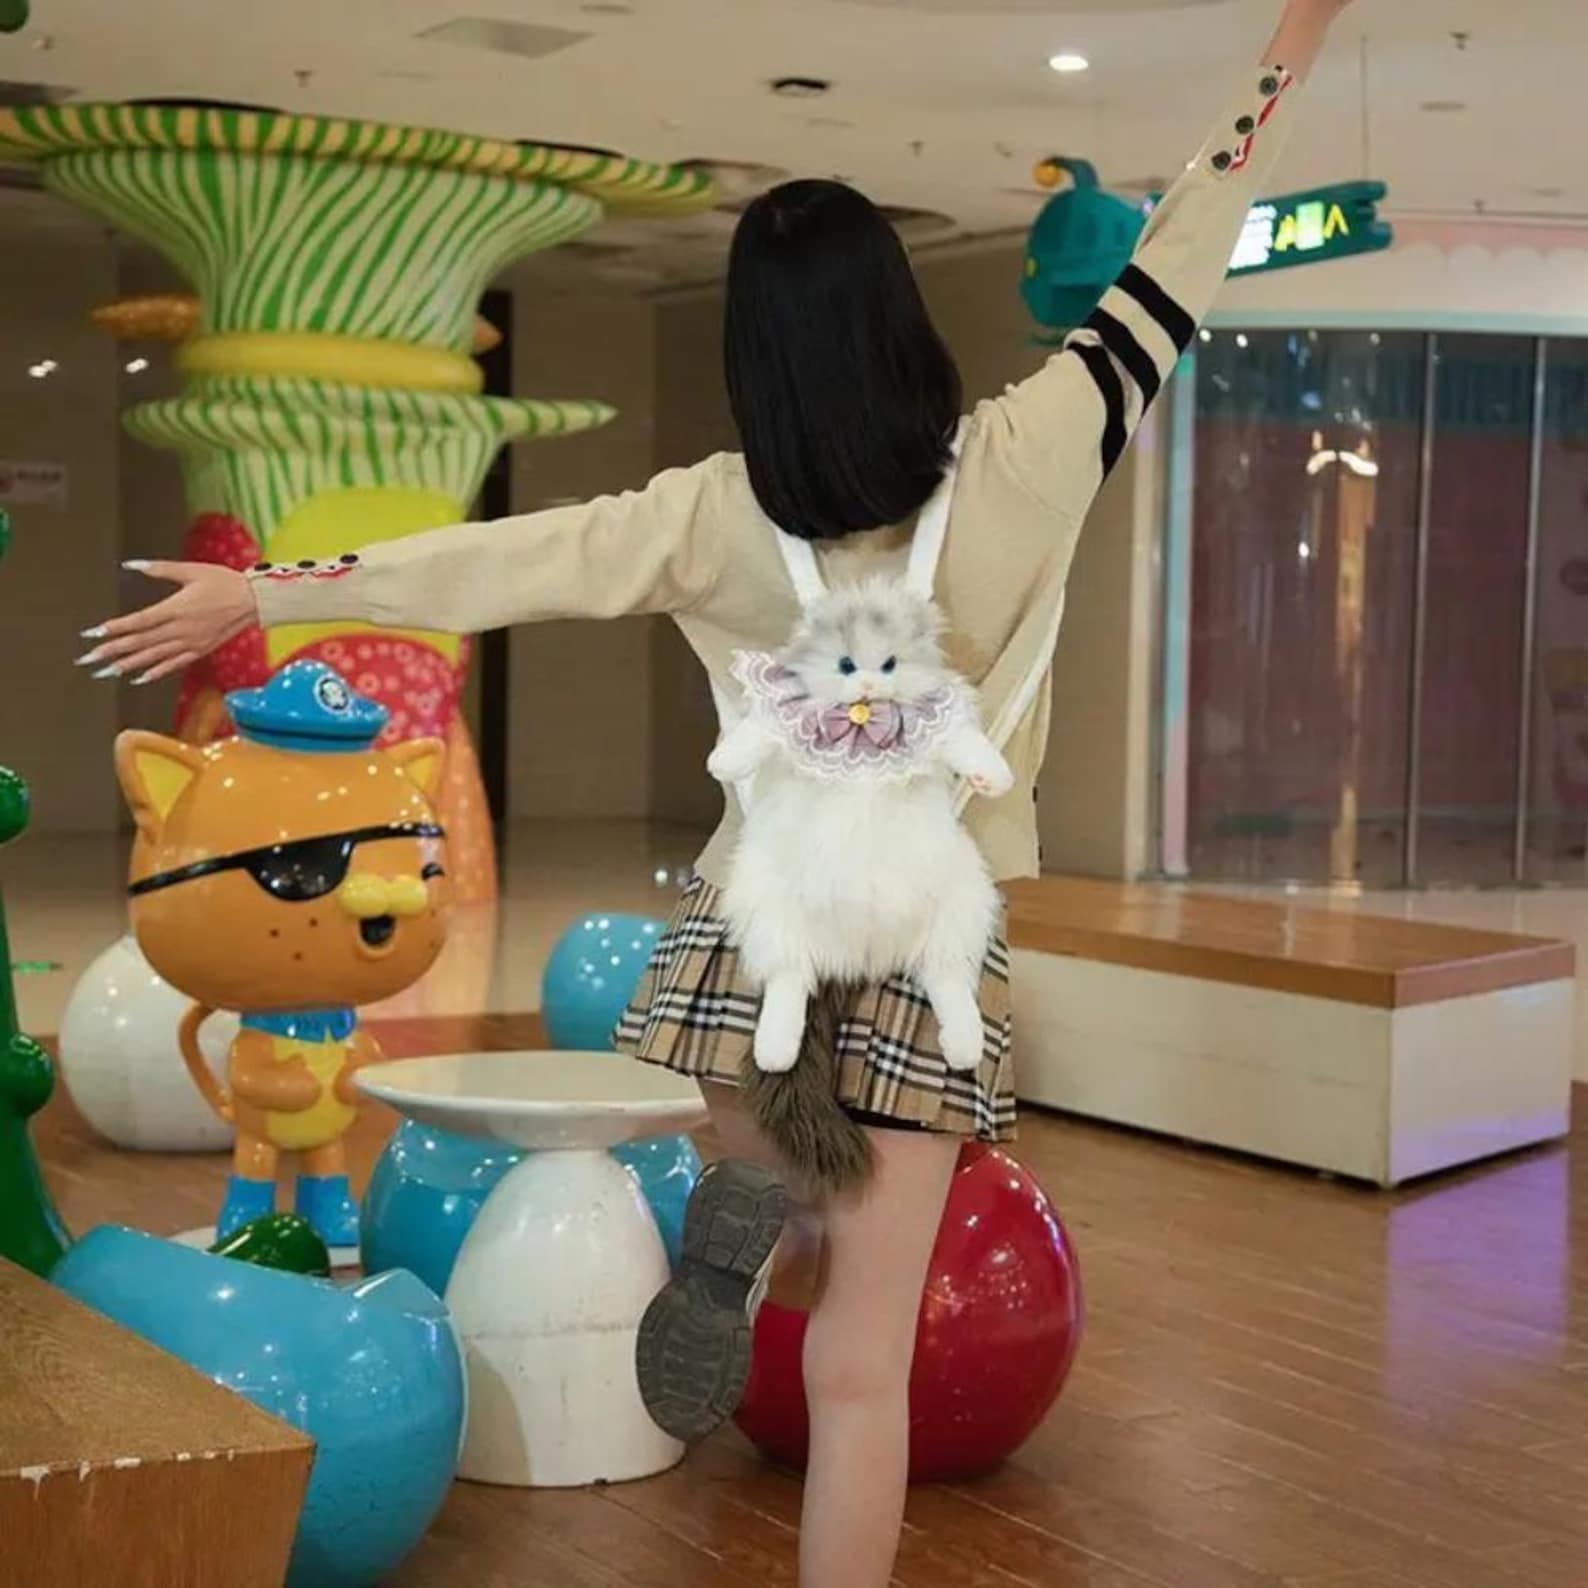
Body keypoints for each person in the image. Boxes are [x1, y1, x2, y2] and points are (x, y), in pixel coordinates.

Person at [83, 2, 1357, 1580]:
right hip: (924, 954)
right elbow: (1176, 266)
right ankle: (773, 1245)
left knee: (764, 1153)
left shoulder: (711, 516)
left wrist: (269, 592)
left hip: (748, 941)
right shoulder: (1033, 453)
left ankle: (743, 1216)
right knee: (861, 1369)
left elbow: (502, 561)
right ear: (901, 324)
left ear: (754, 357)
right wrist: (1287, 58)